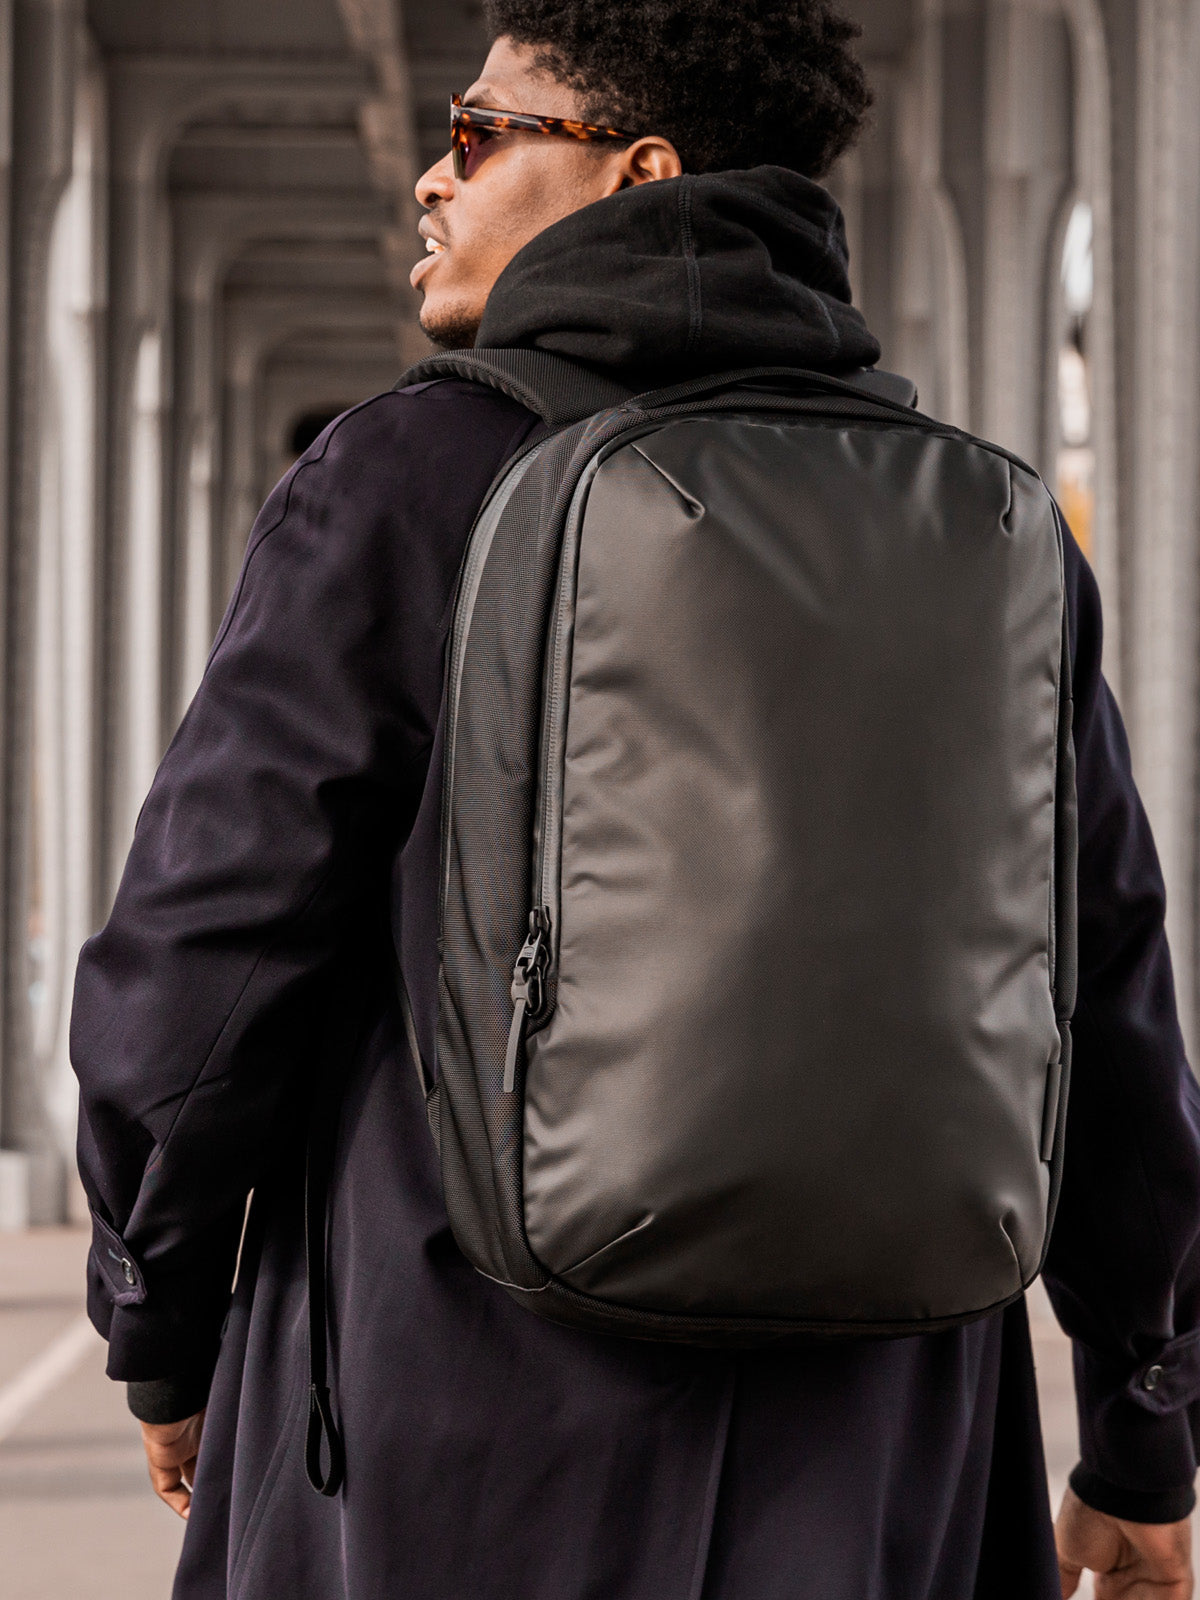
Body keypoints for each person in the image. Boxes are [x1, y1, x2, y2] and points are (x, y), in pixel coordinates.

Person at [70, 4, 1200, 1596]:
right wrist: (1143, 1425)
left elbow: (203, 956)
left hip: (451, 1421)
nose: (433, 178)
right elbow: (1101, 995)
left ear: (637, 173)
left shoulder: (407, 478)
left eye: (478, 134)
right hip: (890, 1442)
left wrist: (163, 1319)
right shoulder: (983, 525)